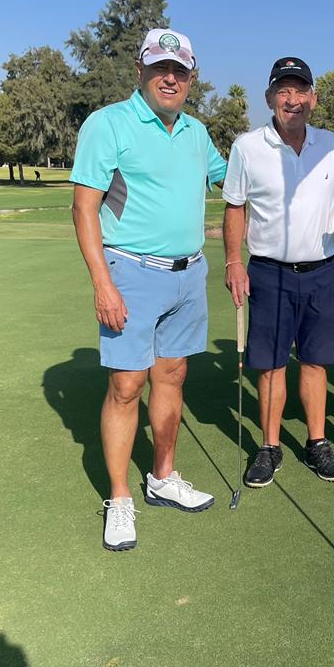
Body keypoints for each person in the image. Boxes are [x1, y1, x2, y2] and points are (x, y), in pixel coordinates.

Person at [70, 28, 227, 551]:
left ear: (190, 78)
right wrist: (103, 284)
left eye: (179, 70)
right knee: (126, 386)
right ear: (141, 69)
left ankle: (163, 477)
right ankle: (119, 498)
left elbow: (235, 181)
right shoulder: (109, 123)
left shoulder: (197, 133)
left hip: (189, 274)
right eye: (161, 67)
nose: (170, 77)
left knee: (173, 377)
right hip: (131, 273)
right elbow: (84, 207)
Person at [222, 57, 334, 487]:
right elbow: (235, 206)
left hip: (321, 271)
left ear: (313, 98)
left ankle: (317, 443)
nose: (292, 99)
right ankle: (270, 446)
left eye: (300, 91)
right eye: (283, 91)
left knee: (316, 362)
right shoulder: (247, 146)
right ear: (269, 98)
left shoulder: (331, 144)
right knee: (271, 364)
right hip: (270, 272)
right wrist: (234, 261)